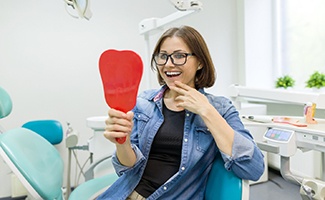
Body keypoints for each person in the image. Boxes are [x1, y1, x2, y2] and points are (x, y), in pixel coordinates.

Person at [97, 25, 264, 200]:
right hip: (124, 194)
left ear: (200, 62)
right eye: (163, 56)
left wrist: (206, 110)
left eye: (179, 56)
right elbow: (127, 169)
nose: (169, 64)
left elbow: (253, 168)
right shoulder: (144, 103)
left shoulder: (220, 108)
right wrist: (122, 143)